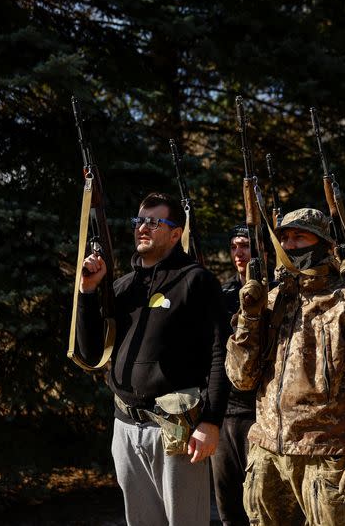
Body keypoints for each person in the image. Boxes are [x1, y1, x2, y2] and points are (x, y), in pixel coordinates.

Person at [226, 208, 345, 526]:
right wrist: (249, 318)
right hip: (270, 454)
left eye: (299, 237)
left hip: (329, 456)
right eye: (285, 238)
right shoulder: (271, 301)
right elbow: (241, 378)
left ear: (323, 244)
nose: (290, 245)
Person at [75, 192, 229, 525]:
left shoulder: (196, 280)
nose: (143, 228)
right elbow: (90, 353)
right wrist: (88, 292)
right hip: (126, 427)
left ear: (175, 234)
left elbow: (221, 353)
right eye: (140, 220)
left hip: (176, 429)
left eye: (154, 222)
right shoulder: (123, 286)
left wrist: (212, 422)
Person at [212, 224, 257, 526]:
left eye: (245, 246)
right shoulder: (223, 293)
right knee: (229, 507)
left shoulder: (277, 293)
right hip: (226, 412)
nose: (239, 253)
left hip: (259, 414)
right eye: (234, 247)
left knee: (261, 507)